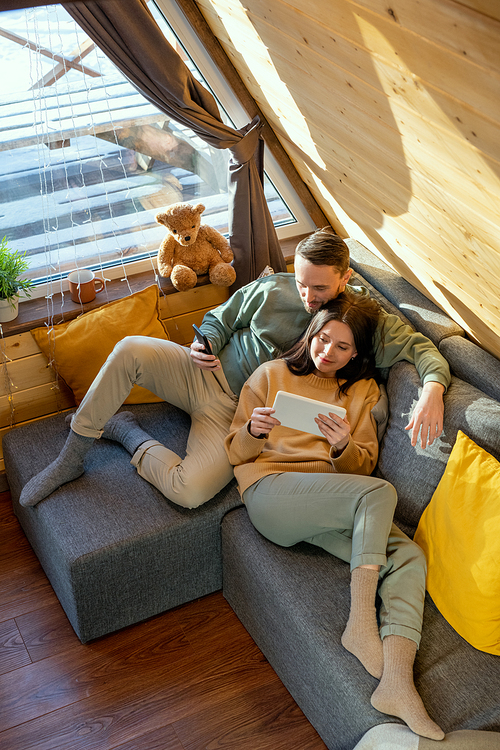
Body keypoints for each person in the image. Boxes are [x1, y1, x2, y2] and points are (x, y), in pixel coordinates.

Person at [19, 228, 450, 509]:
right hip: (199, 373)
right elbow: (220, 317)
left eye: (319, 287)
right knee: (130, 347)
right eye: (301, 283)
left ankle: (129, 433)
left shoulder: (363, 319)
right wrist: (203, 341)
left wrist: (432, 389)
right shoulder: (272, 288)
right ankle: (71, 458)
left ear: (344, 277)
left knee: (189, 492)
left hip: (234, 415)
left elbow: (424, 349)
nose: (307, 297)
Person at [224, 291, 444, 741]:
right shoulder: (270, 374)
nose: (327, 353)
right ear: (311, 334)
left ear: (357, 352)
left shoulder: (363, 391)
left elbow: (360, 468)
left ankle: (397, 684)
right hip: (271, 493)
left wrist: (343, 446)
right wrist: (252, 430)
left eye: (342, 347)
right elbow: (234, 451)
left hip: (332, 501)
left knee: (409, 558)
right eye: (323, 339)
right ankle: (360, 621)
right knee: (381, 494)